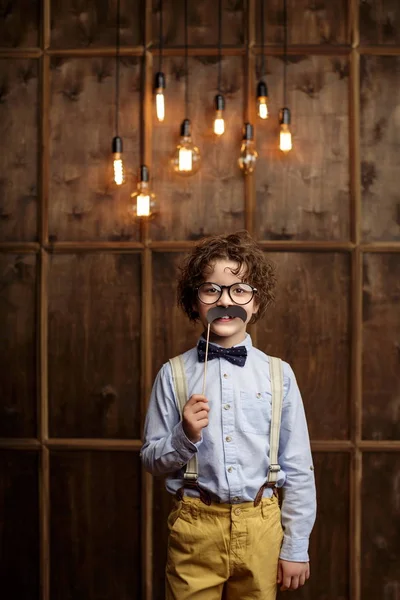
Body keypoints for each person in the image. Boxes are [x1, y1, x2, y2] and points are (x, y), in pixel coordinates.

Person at [141, 230, 316, 600]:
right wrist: (183, 435)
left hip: (262, 527)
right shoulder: (173, 374)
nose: (226, 301)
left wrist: (296, 546)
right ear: (194, 302)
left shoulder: (278, 374)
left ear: (255, 303)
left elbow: (298, 466)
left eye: (239, 290)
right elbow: (151, 460)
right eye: (212, 290)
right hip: (195, 527)